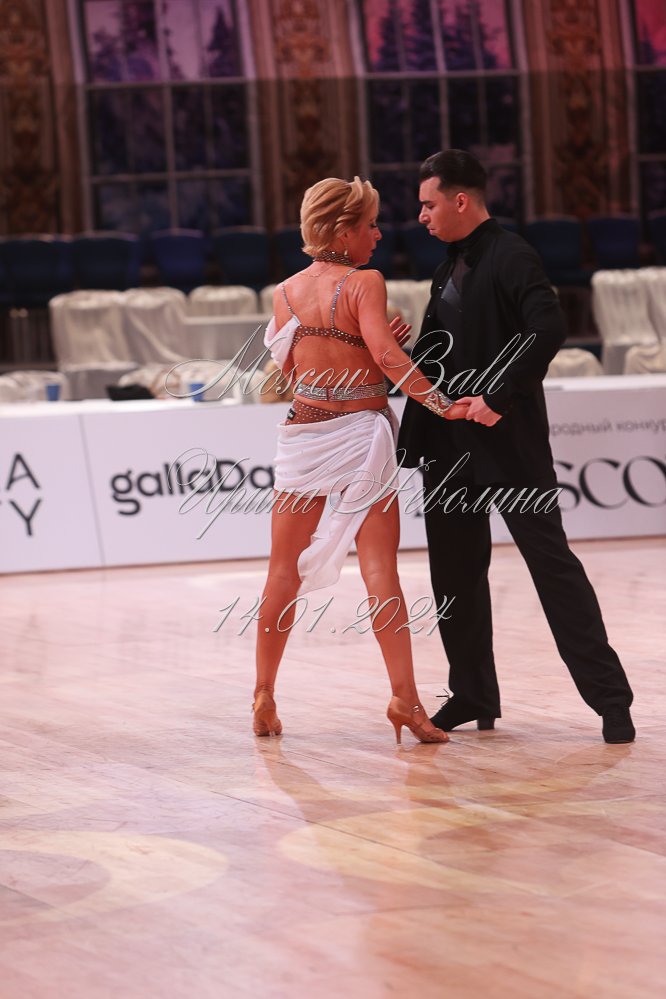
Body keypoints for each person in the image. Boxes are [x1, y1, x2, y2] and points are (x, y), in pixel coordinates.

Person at [398, 150, 635, 744]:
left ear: (460, 200)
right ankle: (472, 693)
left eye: (428, 204)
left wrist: (497, 397)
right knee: (454, 576)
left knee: (552, 567)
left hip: (507, 442)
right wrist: (405, 351)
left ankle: (611, 700)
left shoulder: (512, 254)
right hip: (449, 446)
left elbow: (548, 327)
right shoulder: (446, 268)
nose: (420, 216)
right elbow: (447, 350)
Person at [254, 176, 469, 745]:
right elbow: (388, 358)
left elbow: (295, 372)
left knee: (281, 571)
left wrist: (364, 343)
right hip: (359, 438)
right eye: (369, 225)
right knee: (380, 573)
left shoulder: (284, 291)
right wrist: (444, 405)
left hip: (304, 435)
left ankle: (264, 694)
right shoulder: (364, 282)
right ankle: (405, 700)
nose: (377, 235)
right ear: (342, 231)